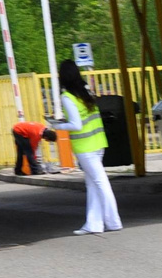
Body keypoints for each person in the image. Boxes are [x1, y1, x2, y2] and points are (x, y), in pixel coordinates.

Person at [46, 58, 121, 235]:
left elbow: (76, 124)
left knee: (100, 182)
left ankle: (113, 221)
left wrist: (57, 125)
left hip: (85, 146)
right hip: (98, 142)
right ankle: (93, 224)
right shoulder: (85, 90)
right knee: (93, 184)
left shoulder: (67, 97)